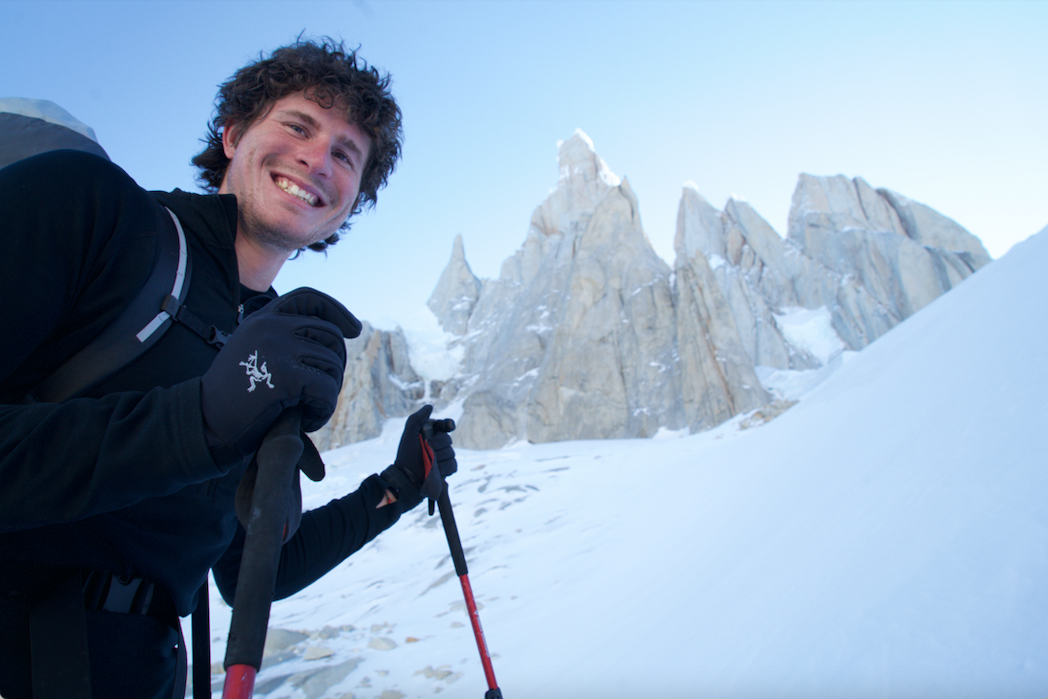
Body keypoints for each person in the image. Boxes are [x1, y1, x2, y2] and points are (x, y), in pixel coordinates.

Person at [0, 38, 455, 699]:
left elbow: (253, 569)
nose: (316, 157)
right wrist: (200, 423)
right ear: (234, 133)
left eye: (345, 156)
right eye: (298, 126)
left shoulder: (273, 343)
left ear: (350, 205)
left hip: (141, 673)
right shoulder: (93, 208)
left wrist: (395, 488)